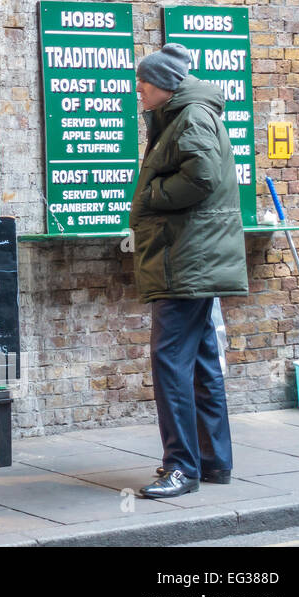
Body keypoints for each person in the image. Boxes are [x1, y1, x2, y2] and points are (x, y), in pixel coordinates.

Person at [129, 43, 248, 499]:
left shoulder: (191, 116)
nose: (139, 91)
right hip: (189, 257)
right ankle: (213, 461)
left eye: (143, 84)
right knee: (198, 362)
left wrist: (151, 196)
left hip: (185, 260)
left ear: (164, 85)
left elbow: (201, 177)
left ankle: (180, 467)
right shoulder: (184, 115)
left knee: (170, 362)